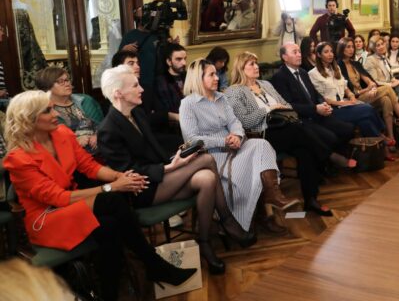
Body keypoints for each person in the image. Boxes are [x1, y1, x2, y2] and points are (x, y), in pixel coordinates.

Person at [3, 91, 195, 300]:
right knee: (111, 199)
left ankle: (111, 294)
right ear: (30, 119)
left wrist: (120, 176)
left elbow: (89, 166)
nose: (56, 113)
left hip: (71, 204)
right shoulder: (18, 159)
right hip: (47, 218)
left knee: (109, 226)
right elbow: (57, 198)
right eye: (48, 110)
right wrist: (112, 186)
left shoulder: (62, 134)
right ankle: (154, 264)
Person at [98, 65, 246, 274]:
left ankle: (205, 242)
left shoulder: (137, 113)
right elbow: (129, 174)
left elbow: (153, 150)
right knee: (205, 159)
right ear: (118, 93)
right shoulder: (108, 129)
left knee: (207, 178)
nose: (141, 89)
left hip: (161, 178)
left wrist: (175, 158)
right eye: (135, 86)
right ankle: (227, 220)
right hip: (142, 190)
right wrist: (170, 167)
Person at [180, 59, 298, 233]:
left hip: (234, 146)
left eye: (216, 74)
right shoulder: (188, 104)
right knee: (255, 167)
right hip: (211, 156)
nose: (217, 78)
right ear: (198, 78)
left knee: (261, 144)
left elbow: (235, 122)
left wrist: (236, 135)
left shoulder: (221, 98)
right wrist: (223, 141)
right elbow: (191, 139)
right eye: (211, 75)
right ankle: (262, 216)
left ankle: (273, 194)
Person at [225, 52, 335, 216]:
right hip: (262, 135)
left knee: (305, 150)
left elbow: (287, 105)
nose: (256, 67)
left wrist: (281, 108)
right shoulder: (234, 91)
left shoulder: (265, 84)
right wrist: (269, 109)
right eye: (251, 64)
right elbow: (245, 121)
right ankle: (329, 156)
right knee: (301, 130)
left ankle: (311, 200)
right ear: (241, 68)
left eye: (256, 63)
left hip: (285, 127)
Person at [270, 43, 356, 159]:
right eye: (294, 52)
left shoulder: (303, 72)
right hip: (302, 120)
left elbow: (315, 94)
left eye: (299, 51)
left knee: (348, 129)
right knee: (331, 137)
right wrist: (315, 108)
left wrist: (323, 103)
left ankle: (343, 159)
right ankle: (333, 162)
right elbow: (289, 105)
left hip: (317, 114)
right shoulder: (279, 77)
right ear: (284, 57)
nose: (299, 55)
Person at [337, 37, 399, 148]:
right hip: (354, 98)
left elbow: (369, 80)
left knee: (386, 100)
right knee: (387, 89)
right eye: (348, 47)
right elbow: (348, 91)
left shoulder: (355, 63)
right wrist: (368, 89)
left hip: (365, 94)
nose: (351, 49)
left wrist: (372, 87)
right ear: (341, 49)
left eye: (352, 47)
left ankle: (391, 138)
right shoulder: (338, 65)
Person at [309, 42, 386, 139]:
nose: (330, 54)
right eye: (326, 52)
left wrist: (351, 96)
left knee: (365, 121)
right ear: (319, 55)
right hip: (332, 110)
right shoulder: (313, 73)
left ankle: (379, 142)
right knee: (368, 108)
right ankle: (383, 134)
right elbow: (322, 99)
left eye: (331, 51)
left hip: (344, 104)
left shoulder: (336, 68)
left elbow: (345, 87)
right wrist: (344, 103)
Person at [34, 67, 103, 154]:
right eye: (61, 81)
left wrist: (97, 135)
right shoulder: (45, 110)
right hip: (70, 154)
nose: (67, 84)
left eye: (67, 80)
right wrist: (75, 141)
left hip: (100, 148)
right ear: (47, 86)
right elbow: (49, 140)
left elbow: (102, 124)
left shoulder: (86, 100)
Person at [155, 43, 187, 122]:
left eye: (185, 59)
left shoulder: (189, 76)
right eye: (179, 59)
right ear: (169, 62)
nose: (184, 63)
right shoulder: (161, 82)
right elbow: (166, 111)